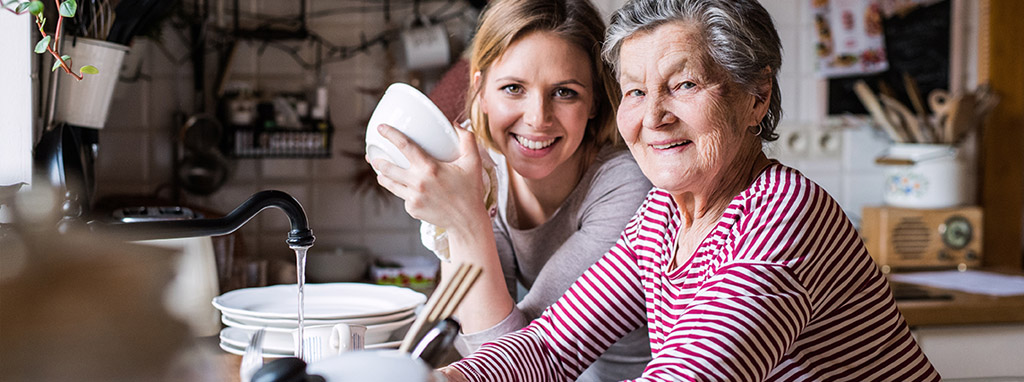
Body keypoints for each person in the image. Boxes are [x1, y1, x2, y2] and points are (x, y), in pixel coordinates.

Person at [438, 0, 941, 380]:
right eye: (635, 91)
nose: (653, 117)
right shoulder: (662, 216)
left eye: (684, 85)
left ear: (756, 97)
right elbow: (548, 346)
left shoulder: (785, 215)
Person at [367, 0, 653, 380]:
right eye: (513, 88)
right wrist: (452, 219)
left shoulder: (626, 187)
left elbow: (520, 364)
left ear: (595, 102)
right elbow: (473, 338)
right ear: (480, 90)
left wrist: (464, 218)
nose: (537, 118)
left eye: (565, 92)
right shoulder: (486, 170)